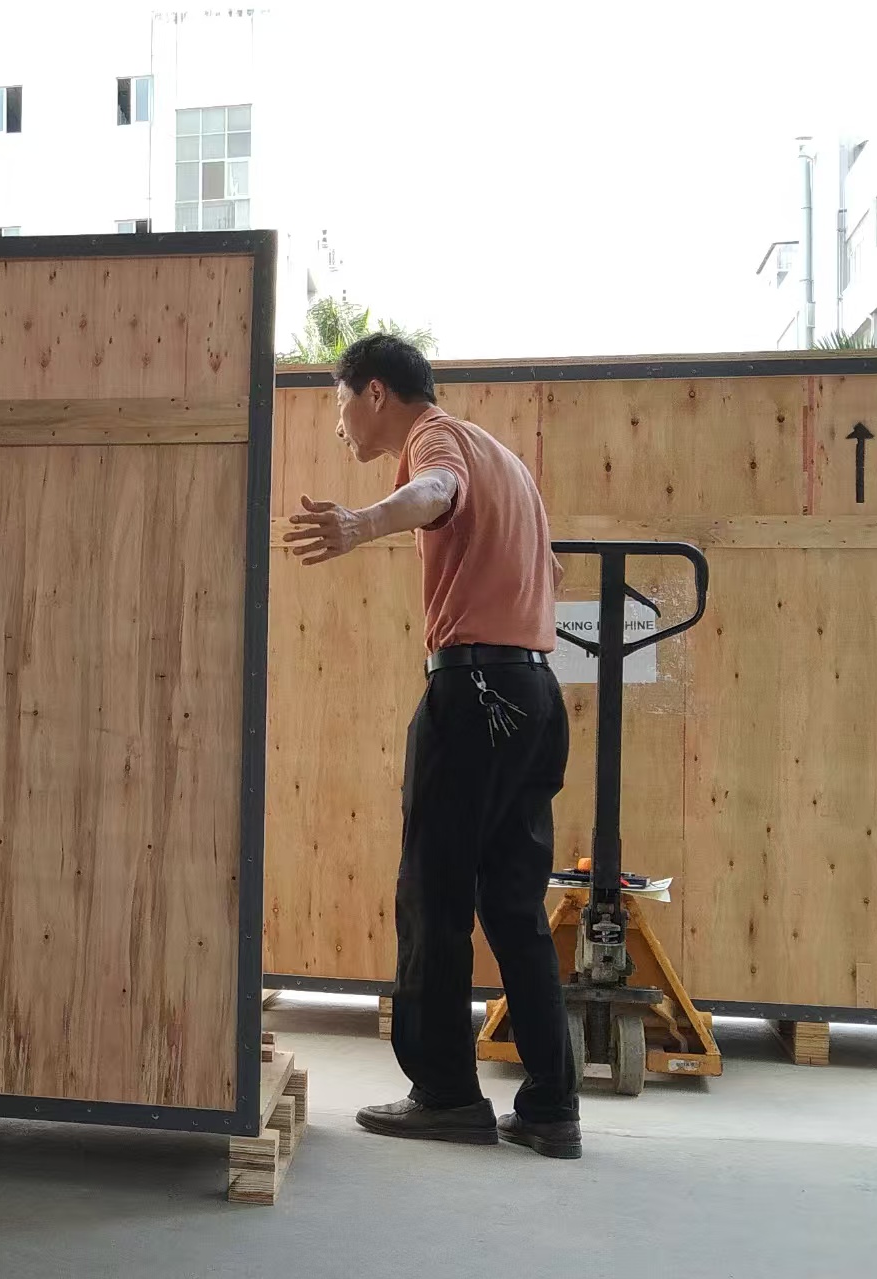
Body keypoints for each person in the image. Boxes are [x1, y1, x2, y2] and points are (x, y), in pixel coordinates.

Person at [284, 333, 583, 1160]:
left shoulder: (438, 442)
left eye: (340, 403)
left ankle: (446, 1094)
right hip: (534, 694)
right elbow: (549, 575)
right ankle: (552, 1107)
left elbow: (435, 491)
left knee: (432, 895)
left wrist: (359, 523)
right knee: (515, 908)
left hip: (475, 694)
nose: (339, 424)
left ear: (375, 393)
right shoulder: (507, 462)